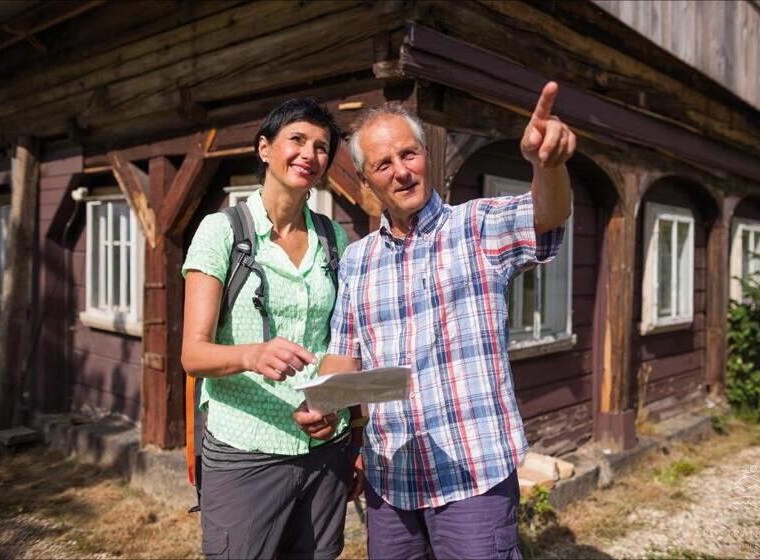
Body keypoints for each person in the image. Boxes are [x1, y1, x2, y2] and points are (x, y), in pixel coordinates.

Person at [296, 82, 576, 559]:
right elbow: (345, 356)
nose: (402, 172)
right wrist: (326, 405)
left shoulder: (478, 227)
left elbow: (546, 215)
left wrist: (547, 166)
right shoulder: (358, 261)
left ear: (426, 155)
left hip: (473, 475)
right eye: (384, 164)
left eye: (409, 154)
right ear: (366, 181)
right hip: (391, 480)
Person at [181, 98, 362, 560]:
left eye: (322, 147)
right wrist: (249, 354)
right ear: (265, 148)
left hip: (324, 448)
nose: (310, 154)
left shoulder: (333, 237)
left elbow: (338, 343)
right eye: (296, 139)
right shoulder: (221, 231)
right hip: (247, 450)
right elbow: (193, 354)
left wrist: (334, 408)